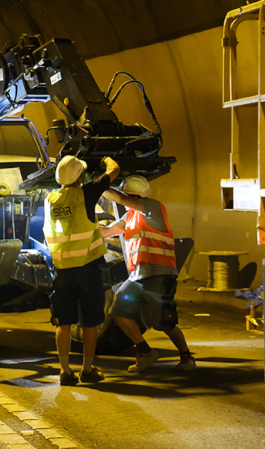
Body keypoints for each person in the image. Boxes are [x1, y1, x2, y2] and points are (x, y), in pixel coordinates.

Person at [100, 175, 196, 373]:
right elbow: (106, 231)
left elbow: (120, 199)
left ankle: (186, 357)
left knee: (165, 323)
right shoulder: (129, 217)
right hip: (137, 278)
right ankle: (145, 352)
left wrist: (97, 185)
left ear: (135, 197)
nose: (124, 201)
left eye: (127, 195)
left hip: (158, 277)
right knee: (118, 312)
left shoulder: (153, 208)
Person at [44, 155, 120, 385]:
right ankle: (87, 370)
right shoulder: (85, 193)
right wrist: (105, 158)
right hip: (87, 269)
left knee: (63, 322)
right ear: (81, 177)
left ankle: (65, 372)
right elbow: (114, 170)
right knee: (90, 321)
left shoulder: (50, 199)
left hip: (62, 271)